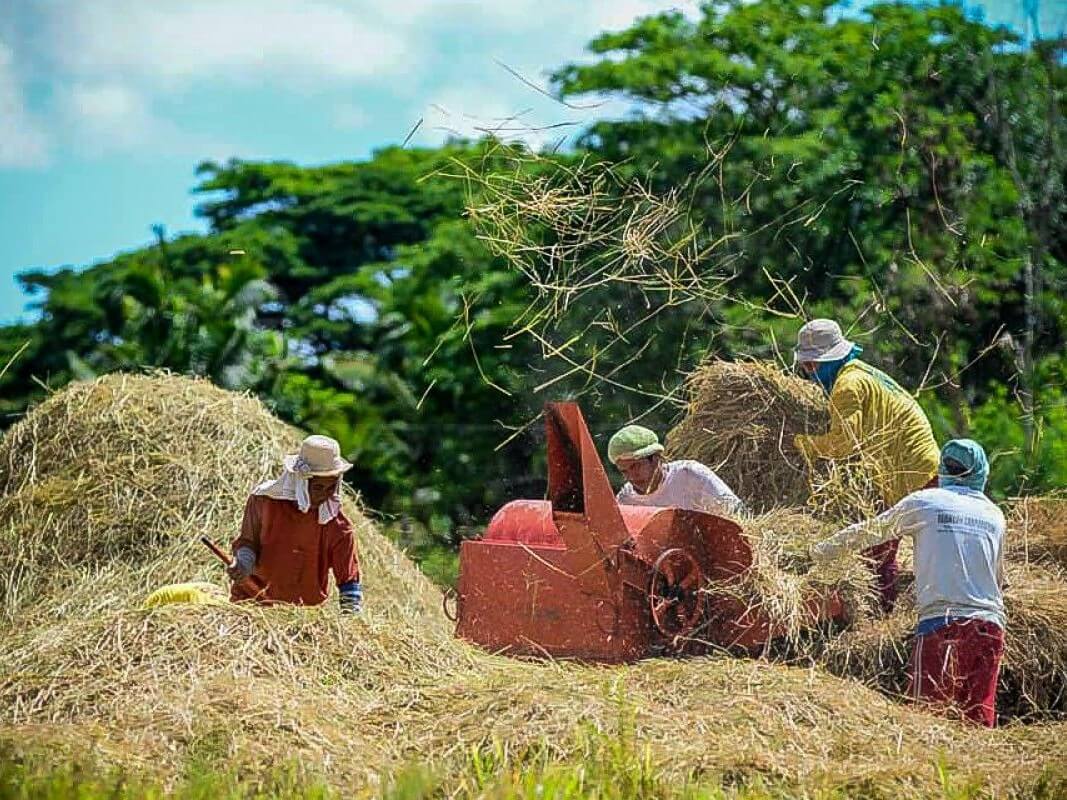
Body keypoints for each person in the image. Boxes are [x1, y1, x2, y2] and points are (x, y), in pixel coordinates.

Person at [810, 439, 1006, 727]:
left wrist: (817, 552)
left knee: (926, 720)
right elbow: (999, 580)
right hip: (990, 627)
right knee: (977, 721)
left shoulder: (925, 502)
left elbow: (870, 532)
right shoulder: (995, 515)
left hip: (943, 623)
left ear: (942, 470)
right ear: (981, 472)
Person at [793, 318, 940, 611]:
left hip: (913, 473)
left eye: (812, 365)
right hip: (916, 467)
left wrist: (803, 444)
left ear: (828, 360)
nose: (809, 373)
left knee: (878, 550)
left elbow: (844, 443)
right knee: (881, 545)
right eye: (806, 366)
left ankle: (883, 614)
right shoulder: (863, 372)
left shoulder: (847, 386)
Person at [228, 434, 362, 612]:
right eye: (318, 487)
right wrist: (243, 564)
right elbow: (248, 541)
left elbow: (348, 578)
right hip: (252, 604)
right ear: (301, 482)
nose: (324, 495)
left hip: (302, 615)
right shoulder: (264, 502)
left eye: (331, 488)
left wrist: (351, 614)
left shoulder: (337, 525)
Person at [607, 424, 743, 516]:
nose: (631, 476)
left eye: (636, 466)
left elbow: (736, 513)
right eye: (624, 471)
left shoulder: (690, 475)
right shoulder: (626, 502)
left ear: (655, 458)